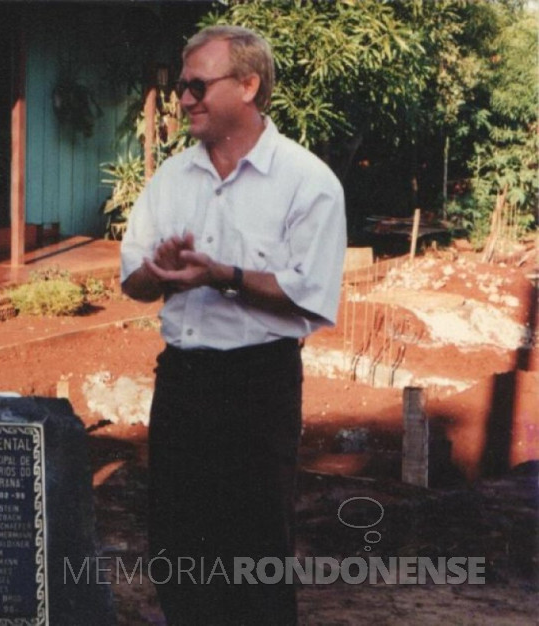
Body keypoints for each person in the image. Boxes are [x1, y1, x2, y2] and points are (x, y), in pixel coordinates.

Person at [121, 25, 346, 625]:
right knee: (175, 541)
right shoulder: (171, 180)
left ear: (248, 85)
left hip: (258, 386)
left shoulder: (308, 183)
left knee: (255, 548)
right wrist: (160, 272)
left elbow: (311, 292)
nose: (185, 99)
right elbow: (132, 282)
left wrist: (223, 274)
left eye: (198, 85)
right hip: (183, 383)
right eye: (181, 87)